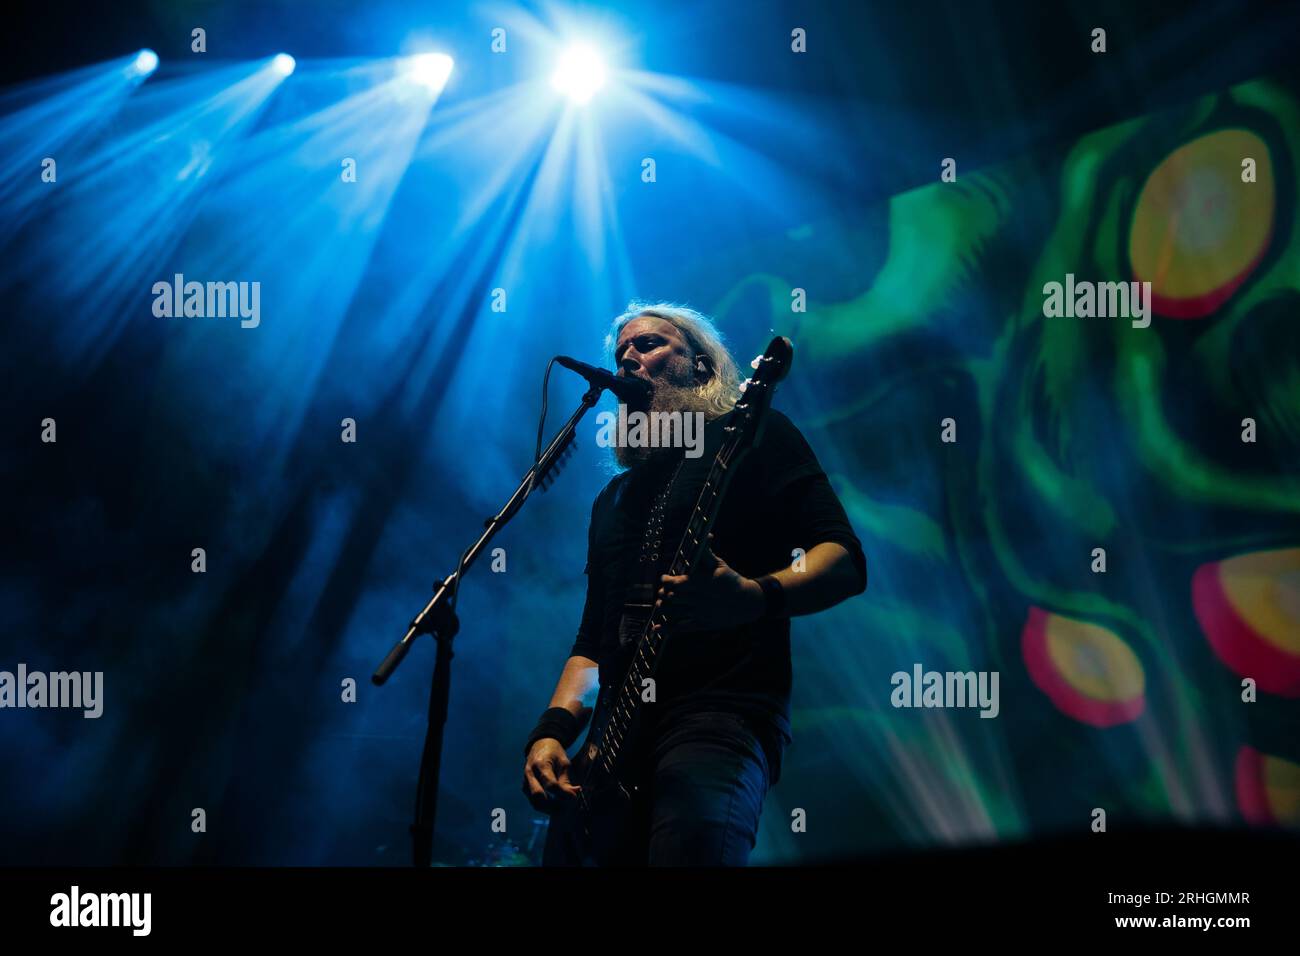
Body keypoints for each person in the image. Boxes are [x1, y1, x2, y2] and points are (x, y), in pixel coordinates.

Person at [522, 302, 867, 865]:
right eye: (621, 352)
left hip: (718, 714)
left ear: (701, 366)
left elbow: (844, 557)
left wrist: (756, 597)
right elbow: (592, 643)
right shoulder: (612, 500)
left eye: (651, 344)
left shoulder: (755, 436)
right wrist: (552, 732)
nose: (629, 357)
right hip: (609, 746)